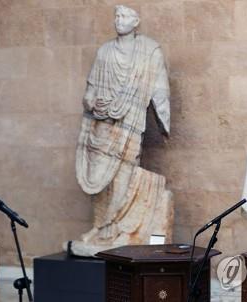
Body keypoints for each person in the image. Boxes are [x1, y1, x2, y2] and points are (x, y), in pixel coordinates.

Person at [71, 5, 172, 256]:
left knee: (124, 174)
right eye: (116, 16)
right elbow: (91, 89)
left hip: (130, 123)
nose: (119, 21)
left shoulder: (149, 50)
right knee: (101, 179)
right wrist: (92, 102)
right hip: (102, 124)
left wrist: (163, 119)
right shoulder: (105, 51)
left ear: (136, 21)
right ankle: (101, 228)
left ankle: (115, 229)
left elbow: (159, 86)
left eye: (124, 17)